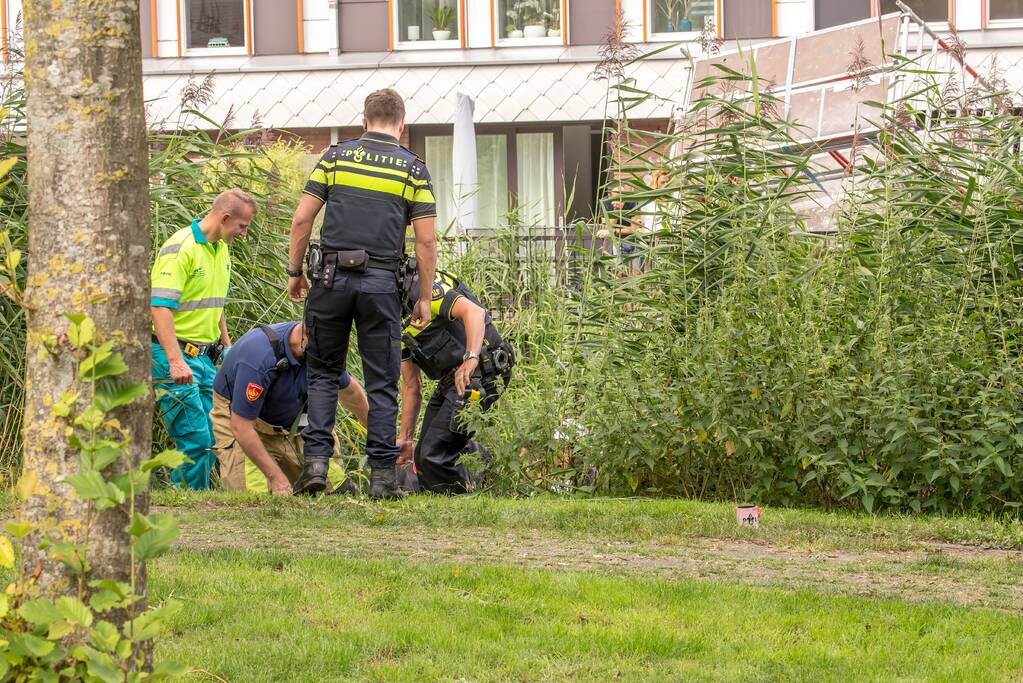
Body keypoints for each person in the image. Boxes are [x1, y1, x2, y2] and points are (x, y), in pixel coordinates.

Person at [286, 88, 438, 499]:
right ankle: (382, 479)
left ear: (364, 121)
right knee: (383, 382)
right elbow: (425, 242)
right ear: (402, 126)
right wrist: (424, 296)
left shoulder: (335, 157)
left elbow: (302, 219)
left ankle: (316, 465)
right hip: (382, 286)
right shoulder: (413, 170)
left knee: (322, 372)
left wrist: (295, 271)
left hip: (330, 281)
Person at [151, 189, 256, 490]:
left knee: (214, 433)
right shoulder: (181, 247)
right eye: (242, 226)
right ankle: (185, 501)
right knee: (195, 437)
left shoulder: (220, 248)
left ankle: (195, 497)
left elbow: (215, 302)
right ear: (225, 218)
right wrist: (174, 361)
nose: (244, 233)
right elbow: (159, 307)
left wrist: (227, 345)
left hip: (206, 357)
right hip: (172, 355)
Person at [211, 320, 368, 495]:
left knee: (335, 489)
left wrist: (379, 435)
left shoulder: (324, 349)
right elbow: (241, 427)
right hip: (244, 422)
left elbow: (351, 393)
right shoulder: (258, 358)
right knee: (254, 499)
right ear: (304, 336)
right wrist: (275, 477)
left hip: (295, 420)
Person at [398, 267, 514, 494]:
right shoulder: (391, 320)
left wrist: (471, 358)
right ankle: (485, 467)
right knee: (422, 460)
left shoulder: (422, 289)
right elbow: (412, 385)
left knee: (435, 456)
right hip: (453, 377)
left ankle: (468, 497)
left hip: (485, 369)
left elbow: (474, 313)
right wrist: (405, 439)